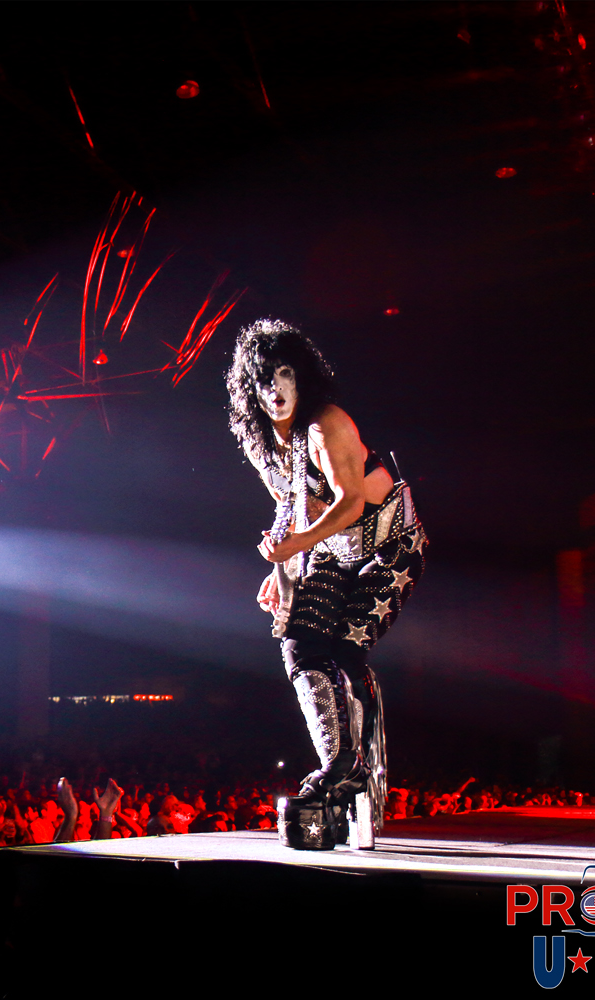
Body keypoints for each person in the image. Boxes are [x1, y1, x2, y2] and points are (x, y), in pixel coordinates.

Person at [226, 319, 427, 849]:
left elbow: (350, 502)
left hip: (389, 546)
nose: (273, 390)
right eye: (263, 378)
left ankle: (360, 769)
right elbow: (290, 504)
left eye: (283, 374)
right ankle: (339, 765)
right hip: (334, 550)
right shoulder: (263, 443)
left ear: (303, 375)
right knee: (297, 642)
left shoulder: (326, 423)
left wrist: (292, 550)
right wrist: (278, 570)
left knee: (346, 648)